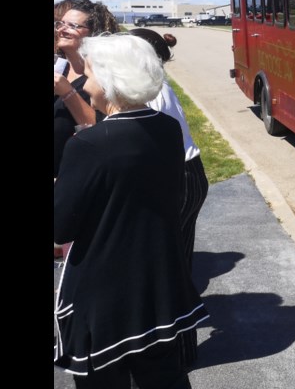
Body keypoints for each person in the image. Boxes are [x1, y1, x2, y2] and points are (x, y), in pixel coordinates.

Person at [54, 33, 209, 388]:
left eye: (90, 75)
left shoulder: (89, 145)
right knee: (164, 375)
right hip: (155, 281)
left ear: (110, 84)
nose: (85, 83)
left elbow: (60, 228)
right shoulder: (166, 128)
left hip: (104, 291)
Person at [128, 28, 209, 368]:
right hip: (178, 176)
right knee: (173, 265)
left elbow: (152, 149)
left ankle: (182, 353)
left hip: (179, 179)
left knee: (173, 269)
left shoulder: (154, 91)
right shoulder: (148, 88)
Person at [54, 0, 120, 178]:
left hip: (74, 175)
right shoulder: (60, 67)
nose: (61, 29)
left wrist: (68, 92)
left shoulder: (103, 78)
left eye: (72, 25)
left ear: (93, 34)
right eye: (60, 24)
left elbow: (102, 129)